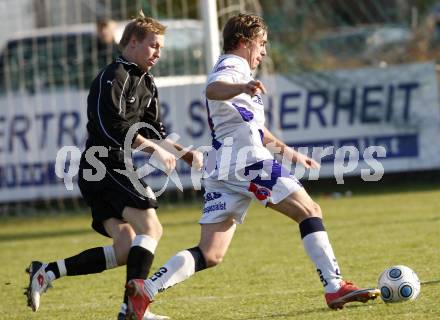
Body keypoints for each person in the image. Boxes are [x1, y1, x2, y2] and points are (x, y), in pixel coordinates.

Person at [122, 13, 380, 320]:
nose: (265, 51)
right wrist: (243, 86)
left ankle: (145, 292)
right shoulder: (233, 66)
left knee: (210, 253)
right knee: (310, 211)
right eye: (262, 43)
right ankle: (334, 285)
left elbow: (258, 130)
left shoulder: (239, 72)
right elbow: (213, 89)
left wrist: (290, 153)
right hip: (247, 161)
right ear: (244, 42)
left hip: (224, 168)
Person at [25, 12, 202, 320]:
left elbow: (153, 131)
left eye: (161, 47)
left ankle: (47, 272)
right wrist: (152, 150)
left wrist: (185, 153)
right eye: (153, 46)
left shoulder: (147, 83)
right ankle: (132, 310)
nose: (159, 53)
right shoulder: (114, 75)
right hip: (104, 165)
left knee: (125, 248)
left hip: (107, 170)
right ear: (132, 43)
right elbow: (111, 127)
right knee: (152, 228)